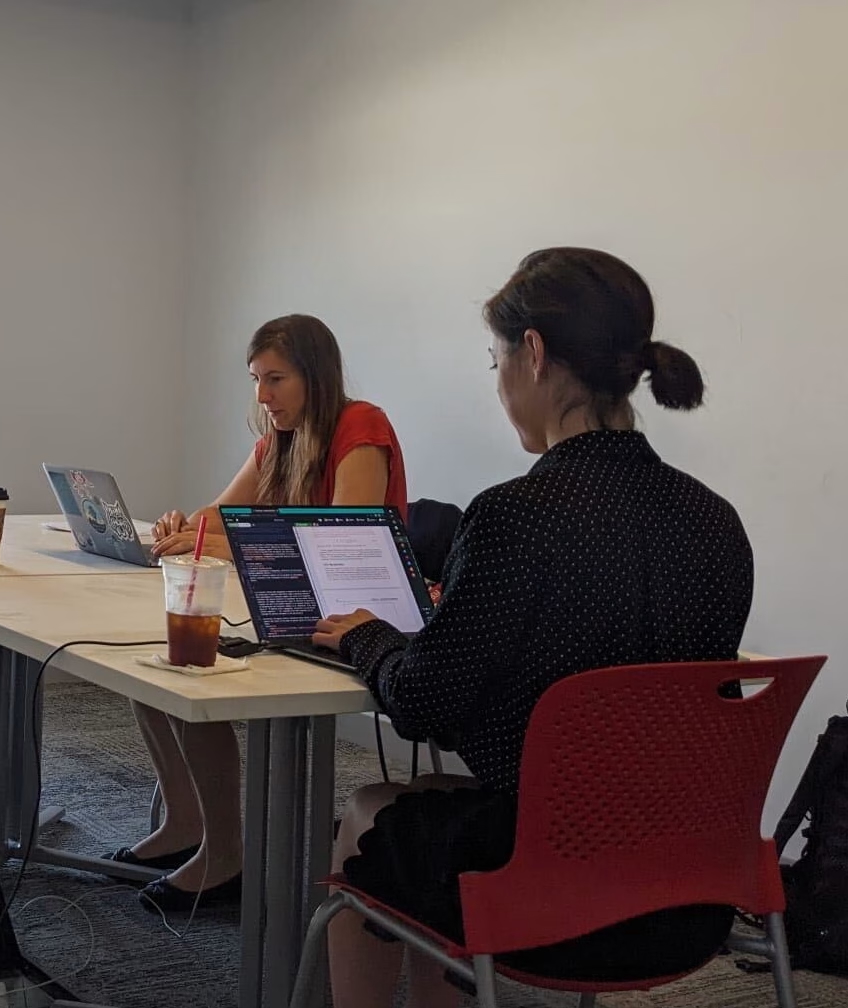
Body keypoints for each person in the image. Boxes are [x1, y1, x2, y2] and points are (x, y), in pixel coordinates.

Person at [312, 248, 752, 1007]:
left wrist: (367, 636)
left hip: (545, 888)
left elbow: (423, 703)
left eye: (498, 359)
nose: (500, 381)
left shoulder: (518, 515)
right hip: (690, 886)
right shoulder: (714, 521)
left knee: (373, 810)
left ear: (535, 354)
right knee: (445, 804)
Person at [108, 313, 408, 913]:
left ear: (315, 377)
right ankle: (187, 824)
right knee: (156, 669)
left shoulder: (361, 424)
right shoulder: (281, 440)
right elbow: (219, 516)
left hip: (360, 624)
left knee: (192, 671)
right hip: (297, 609)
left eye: (276, 379)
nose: (263, 396)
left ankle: (226, 859)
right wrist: (184, 528)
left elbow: (344, 545)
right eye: (256, 380)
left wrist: (243, 547)